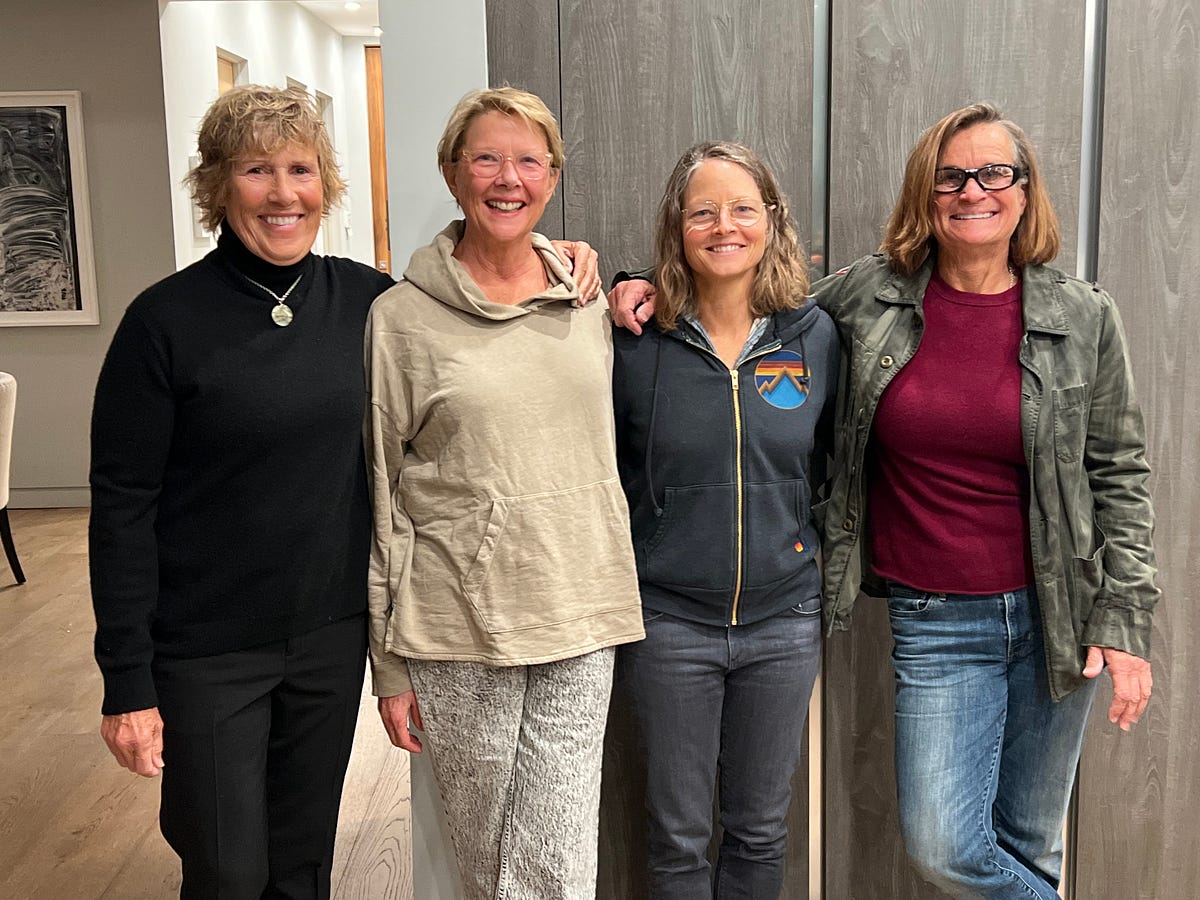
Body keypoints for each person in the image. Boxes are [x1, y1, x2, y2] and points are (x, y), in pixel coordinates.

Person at [610, 103, 1158, 899]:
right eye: (950, 177)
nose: (972, 191)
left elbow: (1120, 472)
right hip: (936, 618)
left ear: (1025, 190)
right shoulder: (871, 297)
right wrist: (636, 283)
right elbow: (747, 287)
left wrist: (1126, 619)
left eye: (994, 173)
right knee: (944, 847)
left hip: (1059, 614)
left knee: (1028, 842)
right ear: (924, 195)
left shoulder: (1083, 315)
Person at [89, 84, 600, 899]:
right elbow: (121, 508)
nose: (283, 194)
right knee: (226, 869)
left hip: (329, 639)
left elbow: (480, 297)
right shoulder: (164, 323)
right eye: (257, 170)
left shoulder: (371, 303)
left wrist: (574, 261)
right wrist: (127, 681)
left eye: (301, 170)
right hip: (207, 649)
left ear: (325, 184)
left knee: (303, 868)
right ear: (218, 184)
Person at [364, 87, 643, 900]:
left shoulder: (585, 299)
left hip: (581, 612)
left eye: (528, 160)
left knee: (559, 861)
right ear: (453, 174)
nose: (507, 178)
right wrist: (388, 665)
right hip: (457, 623)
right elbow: (381, 496)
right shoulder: (400, 319)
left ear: (552, 177)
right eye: (486, 158)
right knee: (492, 865)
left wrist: (633, 282)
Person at [611, 142, 837, 899]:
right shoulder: (636, 340)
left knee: (760, 832)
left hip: (784, 621)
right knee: (677, 840)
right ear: (677, 226)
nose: (724, 226)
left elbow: (830, 462)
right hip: (670, 624)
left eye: (743, 209)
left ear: (772, 220)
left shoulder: (814, 335)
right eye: (702, 211)